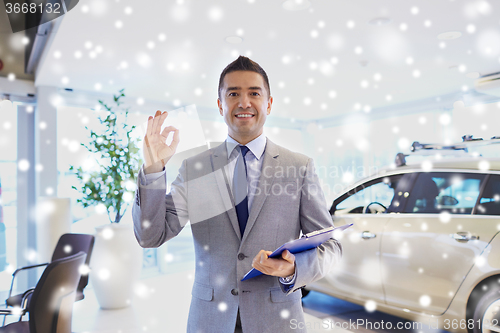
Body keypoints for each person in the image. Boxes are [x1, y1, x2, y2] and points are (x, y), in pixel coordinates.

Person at [132, 56, 342, 333]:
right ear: (220, 105)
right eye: (233, 94)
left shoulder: (299, 167)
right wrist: (153, 170)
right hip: (211, 320)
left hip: (277, 320)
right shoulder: (195, 169)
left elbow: (331, 248)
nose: (244, 103)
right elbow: (150, 236)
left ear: (268, 103)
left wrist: (293, 269)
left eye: (254, 93)